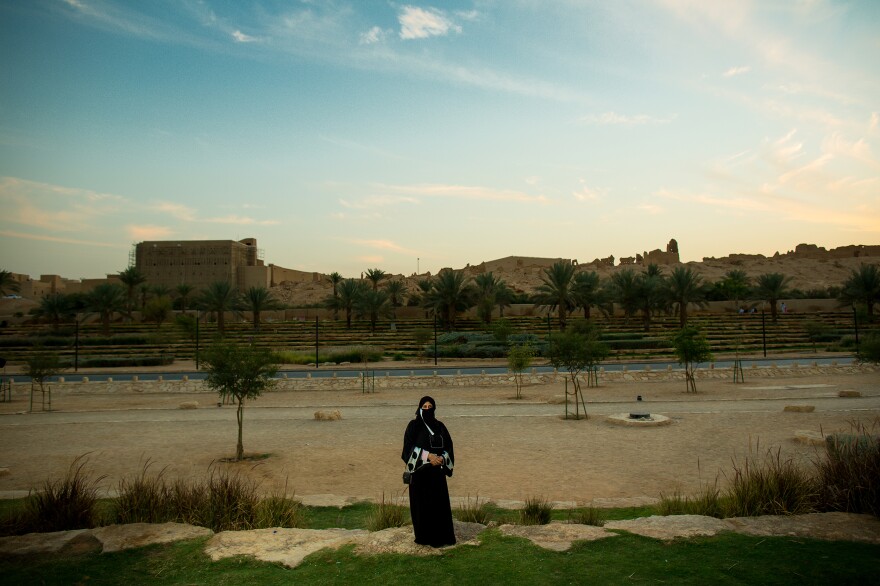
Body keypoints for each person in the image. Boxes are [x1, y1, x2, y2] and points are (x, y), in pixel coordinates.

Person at [401, 395, 456, 547]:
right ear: (419, 408)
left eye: (429, 407)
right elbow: (407, 449)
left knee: (439, 506)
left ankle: (442, 538)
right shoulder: (413, 426)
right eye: (424, 407)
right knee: (422, 507)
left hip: (437, 475)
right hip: (420, 475)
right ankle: (424, 538)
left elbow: (449, 447)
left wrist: (442, 458)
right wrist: (428, 456)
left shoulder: (440, 426)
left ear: (434, 408)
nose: (427, 410)